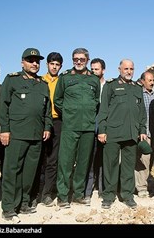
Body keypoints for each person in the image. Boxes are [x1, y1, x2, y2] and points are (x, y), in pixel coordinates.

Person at [0, 48, 52, 222]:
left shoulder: (42, 84)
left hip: (36, 135)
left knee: (29, 173)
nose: (35, 63)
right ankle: (8, 208)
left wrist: (47, 127)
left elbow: (47, 111)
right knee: (12, 171)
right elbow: (3, 106)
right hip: (16, 134)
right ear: (22, 62)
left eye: (37, 61)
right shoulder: (12, 80)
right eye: (31, 60)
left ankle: (23, 203)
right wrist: (4, 129)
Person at [97, 59, 147, 209]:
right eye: (126, 68)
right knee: (110, 166)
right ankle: (108, 196)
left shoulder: (137, 88)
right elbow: (103, 110)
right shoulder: (110, 86)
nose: (129, 71)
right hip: (113, 132)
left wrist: (142, 130)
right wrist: (102, 130)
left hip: (131, 134)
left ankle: (127, 195)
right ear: (119, 69)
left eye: (131, 69)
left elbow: (142, 112)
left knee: (128, 167)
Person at [54, 48, 100, 208]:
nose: (78, 62)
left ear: (87, 60)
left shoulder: (94, 80)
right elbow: (57, 100)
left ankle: (78, 195)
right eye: (75, 59)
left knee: (83, 163)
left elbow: (96, 101)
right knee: (65, 163)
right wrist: (69, 112)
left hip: (87, 127)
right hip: (70, 126)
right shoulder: (65, 77)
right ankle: (62, 196)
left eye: (81, 59)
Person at [31, 52, 63, 207]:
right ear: (47, 65)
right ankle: (33, 193)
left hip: (58, 122)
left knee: (52, 160)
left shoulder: (63, 81)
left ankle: (47, 194)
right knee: (36, 159)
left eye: (57, 64)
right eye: (52, 64)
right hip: (40, 122)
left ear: (61, 66)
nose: (54, 67)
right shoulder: (39, 81)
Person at [85, 57, 106, 202]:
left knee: (103, 159)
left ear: (103, 70)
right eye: (91, 69)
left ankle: (102, 189)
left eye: (96, 69)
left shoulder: (108, 86)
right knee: (90, 159)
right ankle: (87, 189)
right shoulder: (87, 85)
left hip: (104, 127)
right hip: (90, 126)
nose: (93, 71)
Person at [135, 71, 154, 198]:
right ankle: (141, 187)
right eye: (149, 80)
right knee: (143, 161)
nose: (152, 82)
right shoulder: (138, 95)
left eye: (153, 80)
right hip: (144, 133)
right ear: (142, 81)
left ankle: (145, 182)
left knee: (151, 161)